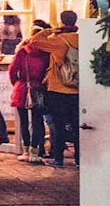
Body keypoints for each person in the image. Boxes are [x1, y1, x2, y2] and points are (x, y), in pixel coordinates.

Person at [27, 11, 80, 168]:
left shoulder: (59, 41)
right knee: (77, 125)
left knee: (58, 125)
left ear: (62, 21)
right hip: (77, 89)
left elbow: (34, 41)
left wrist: (52, 30)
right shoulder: (81, 39)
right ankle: (79, 158)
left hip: (58, 88)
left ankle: (58, 158)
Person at [9, 21, 50, 164]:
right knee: (38, 121)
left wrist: (17, 83)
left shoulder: (22, 51)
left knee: (23, 122)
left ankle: (25, 151)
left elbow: (13, 70)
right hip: (38, 88)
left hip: (22, 88)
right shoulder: (46, 53)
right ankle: (35, 152)